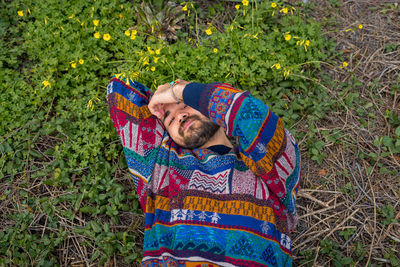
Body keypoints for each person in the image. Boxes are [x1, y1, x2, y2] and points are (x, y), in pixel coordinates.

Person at [107, 76, 301, 267]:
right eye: (169, 119)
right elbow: (119, 91)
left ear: (212, 106)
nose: (180, 116)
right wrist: (164, 99)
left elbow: (250, 114)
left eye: (184, 105)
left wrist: (178, 89)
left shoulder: (267, 166)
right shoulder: (160, 166)